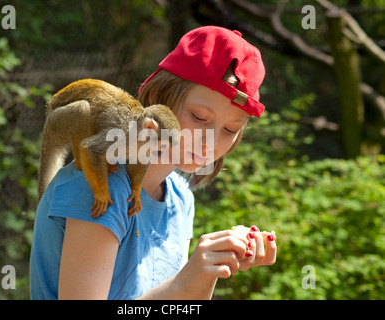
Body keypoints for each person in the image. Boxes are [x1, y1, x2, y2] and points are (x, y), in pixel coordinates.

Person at [29, 25, 276, 300]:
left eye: (230, 130)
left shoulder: (181, 199)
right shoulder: (102, 188)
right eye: (199, 117)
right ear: (160, 100)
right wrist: (189, 278)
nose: (210, 141)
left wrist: (212, 269)